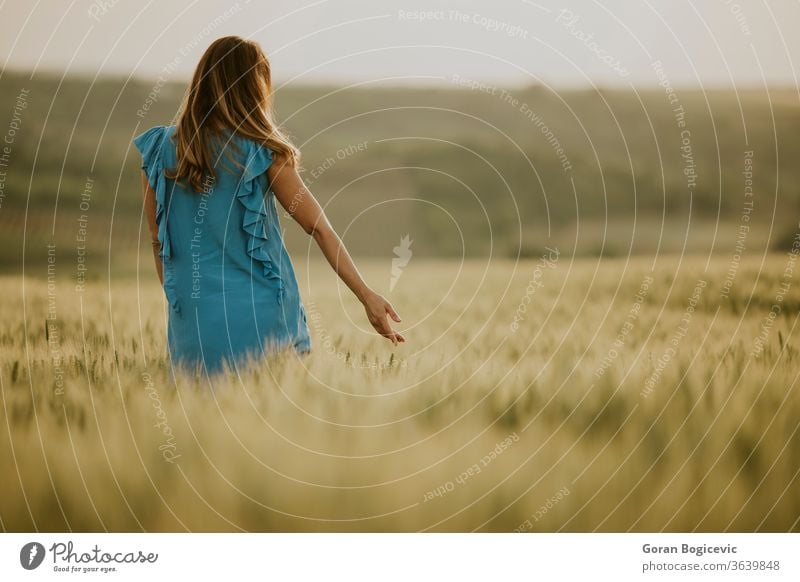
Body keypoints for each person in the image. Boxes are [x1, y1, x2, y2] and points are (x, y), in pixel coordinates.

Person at [133, 35, 404, 374]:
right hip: (263, 319)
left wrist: (182, 303)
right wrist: (367, 296)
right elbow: (319, 228)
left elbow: (159, 241)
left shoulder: (158, 151)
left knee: (200, 425)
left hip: (194, 323)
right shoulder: (264, 152)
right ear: (252, 87)